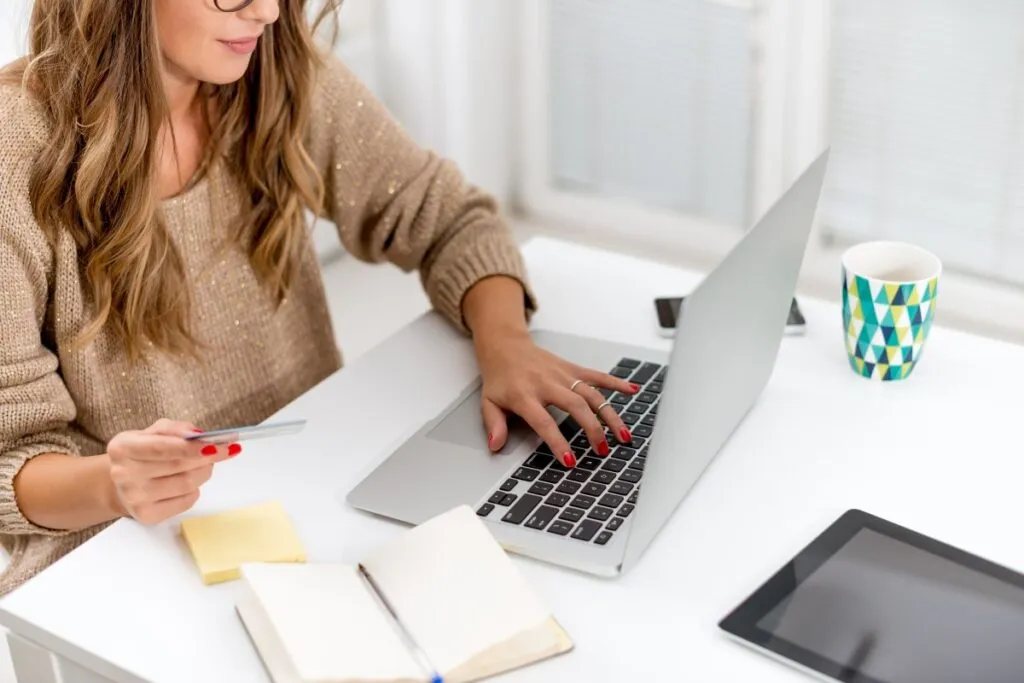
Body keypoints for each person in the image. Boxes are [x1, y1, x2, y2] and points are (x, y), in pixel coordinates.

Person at [0, 0, 639, 594]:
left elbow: (450, 220)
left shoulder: (274, 72)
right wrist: (113, 484)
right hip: (123, 556)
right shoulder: (14, 150)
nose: (269, 11)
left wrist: (507, 347)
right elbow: (11, 459)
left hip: (311, 502)